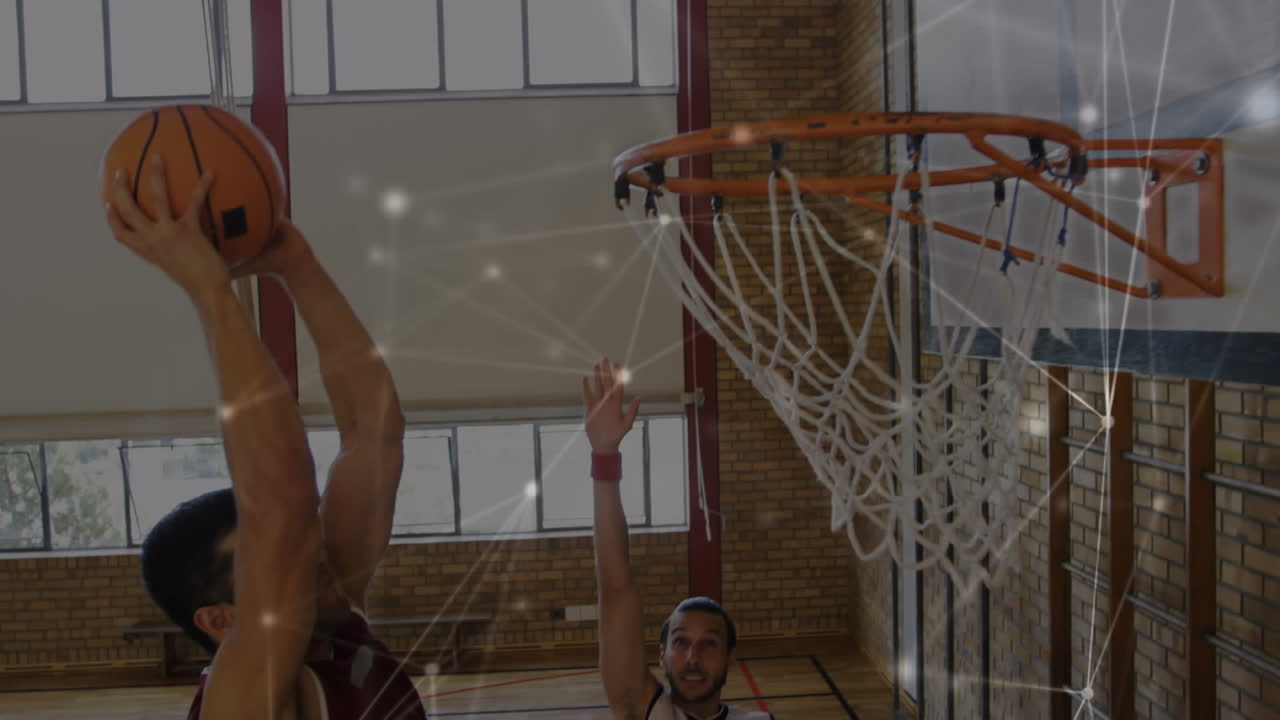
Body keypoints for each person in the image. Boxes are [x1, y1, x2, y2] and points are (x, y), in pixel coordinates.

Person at [106, 154, 425, 719]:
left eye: (305, 543)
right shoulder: (244, 700)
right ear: (220, 619)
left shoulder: (335, 618)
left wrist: (297, 265)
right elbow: (283, 502)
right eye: (268, 555)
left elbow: (373, 432)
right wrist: (210, 292)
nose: (315, 552)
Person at [583, 358, 774, 720]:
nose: (692, 658)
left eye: (709, 644)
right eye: (681, 642)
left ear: (730, 658)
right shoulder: (649, 712)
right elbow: (615, 589)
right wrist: (605, 455)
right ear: (662, 656)